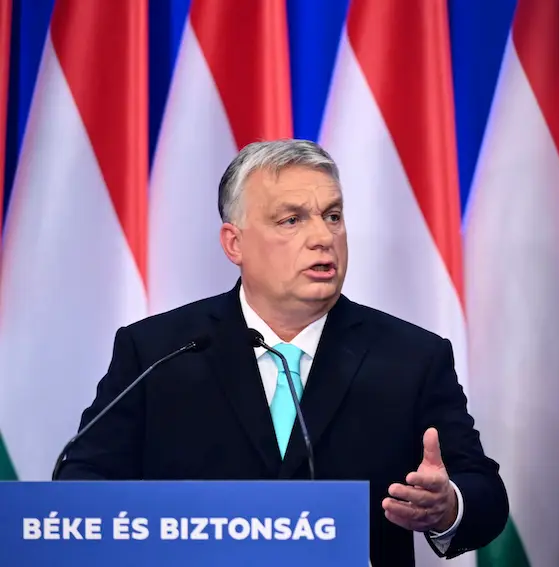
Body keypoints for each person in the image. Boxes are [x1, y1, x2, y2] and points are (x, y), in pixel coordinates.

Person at [58, 139, 509, 566]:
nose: (323, 236)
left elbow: (485, 494)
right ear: (234, 243)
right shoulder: (159, 351)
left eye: (333, 216)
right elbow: (81, 485)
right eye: (291, 220)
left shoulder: (411, 357)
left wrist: (448, 506)